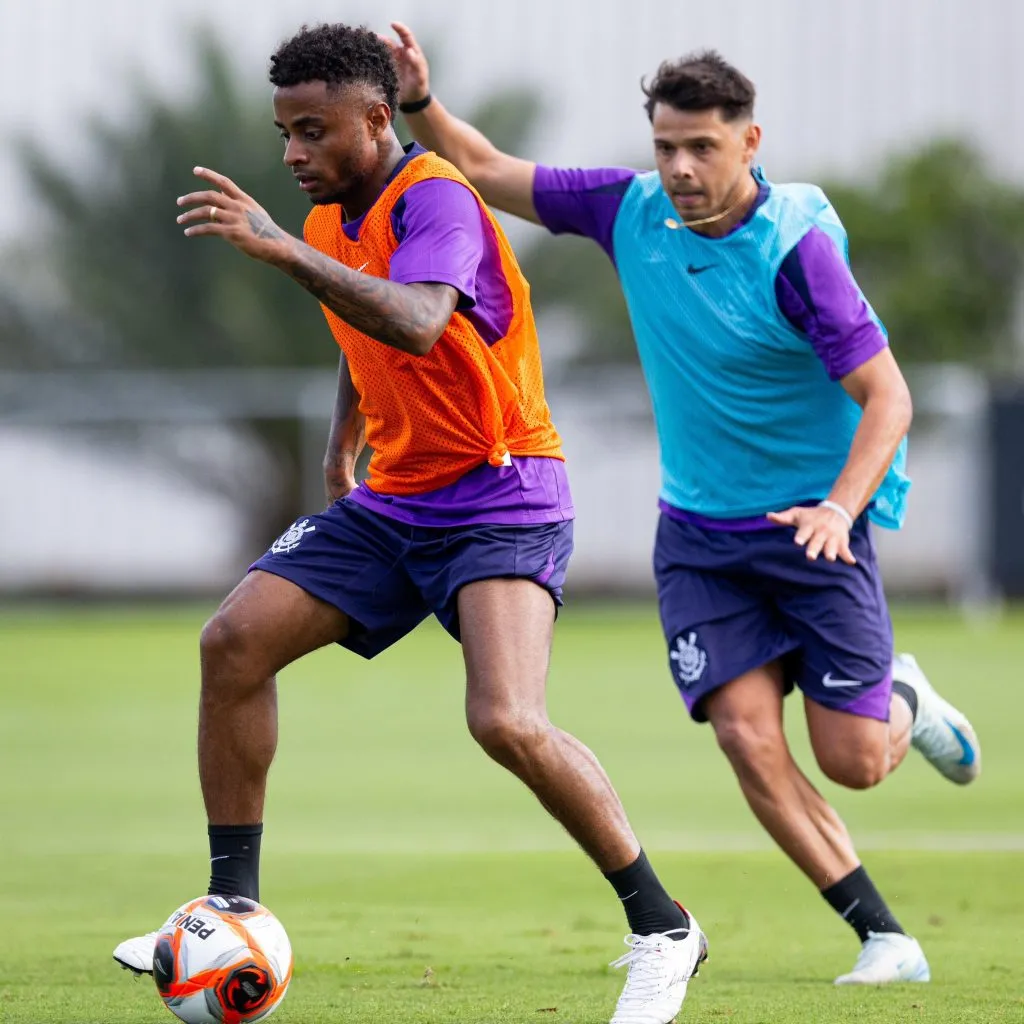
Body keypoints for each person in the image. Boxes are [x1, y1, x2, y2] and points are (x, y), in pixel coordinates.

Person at [111, 23, 708, 1024]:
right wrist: (342, 448)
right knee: (233, 643)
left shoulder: (435, 199)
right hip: (396, 497)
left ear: (376, 119)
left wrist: (279, 252)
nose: (293, 152)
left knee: (506, 721)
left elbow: (420, 316)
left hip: (502, 491)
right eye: (284, 131)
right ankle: (230, 906)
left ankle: (662, 926)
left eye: (312, 131)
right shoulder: (336, 215)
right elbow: (362, 335)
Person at [382, 22, 982, 985]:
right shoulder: (630, 211)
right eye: (666, 146)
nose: (681, 166)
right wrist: (419, 103)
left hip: (811, 529)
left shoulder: (796, 255)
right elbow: (485, 167)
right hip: (700, 532)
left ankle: (904, 695)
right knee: (746, 735)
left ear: (751, 142)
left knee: (856, 761)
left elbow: (890, 398)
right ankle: (884, 936)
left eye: (702, 146)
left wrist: (837, 508)